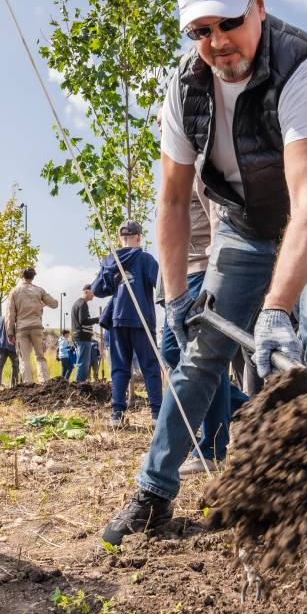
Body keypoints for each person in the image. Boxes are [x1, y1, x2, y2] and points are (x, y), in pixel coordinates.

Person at [102, 0, 307, 588]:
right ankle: (153, 491)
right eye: (200, 30)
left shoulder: (304, 66)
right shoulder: (183, 87)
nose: (217, 43)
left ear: (257, 6)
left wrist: (278, 308)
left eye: (227, 22)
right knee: (201, 352)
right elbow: (170, 202)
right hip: (245, 225)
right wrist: (173, 299)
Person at [158, 180, 232, 475]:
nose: (160, 129)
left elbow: (217, 212)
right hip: (179, 275)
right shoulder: (173, 161)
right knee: (172, 351)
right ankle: (244, 406)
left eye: (162, 127)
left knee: (205, 357)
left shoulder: (197, 160)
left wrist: (217, 268)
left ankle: (213, 448)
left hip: (202, 269)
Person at [92, 220, 163, 426]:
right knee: (150, 366)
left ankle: (117, 415)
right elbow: (161, 285)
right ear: (139, 237)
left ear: (119, 238)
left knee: (120, 367)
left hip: (117, 320)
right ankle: (156, 415)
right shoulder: (145, 259)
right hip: (141, 319)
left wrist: (113, 277)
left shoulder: (109, 260)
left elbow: (97, 290)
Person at [6, 267, 58, 384]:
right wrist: (41, 304)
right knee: (40, 356)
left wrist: (10, 332)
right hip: (36, 327)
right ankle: (44, 382)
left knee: (24, 359)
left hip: (21, 328)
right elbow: (54, 304)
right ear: (33, 277)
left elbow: (10, 314)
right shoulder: (39, 291)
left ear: (21, 276)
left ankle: (28, 384)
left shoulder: (14, 292)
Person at [70, 286, 100, 381]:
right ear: (87, 292)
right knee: (84, 364)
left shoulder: (79, 303)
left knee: (82, 362)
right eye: (93, 292)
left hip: (79, 337)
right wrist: (98, 319)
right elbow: (83, 321)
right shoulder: (82, 303)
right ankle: (78, 385)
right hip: (82, 338)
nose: (94, 295)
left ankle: (78, 384)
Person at [0, 316, 19, 387]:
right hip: (12, 347)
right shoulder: (15, 319)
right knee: (15, 366)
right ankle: (14, 385)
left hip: (0, 346)